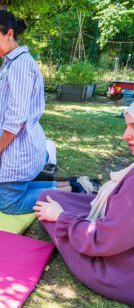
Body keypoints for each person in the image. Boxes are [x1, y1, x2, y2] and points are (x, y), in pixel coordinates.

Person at [33, 103, 134, 305]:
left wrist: (61, 218)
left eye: (133, 126)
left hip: (118, 274)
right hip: (120, 238)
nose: (125, 135)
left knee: (49, 207)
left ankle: (69, 226)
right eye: (127, 126)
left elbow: (101, 240)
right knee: (48, 197)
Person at [0, 10, 55, 214]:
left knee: (8, 205)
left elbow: (16, 119)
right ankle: (68, 187)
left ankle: (67, 194)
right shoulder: (10, 63)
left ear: (9, 33)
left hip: (16, 150)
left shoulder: (20, 65)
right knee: (9, 193)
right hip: (10, 148)